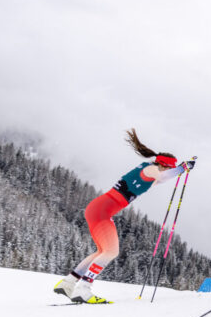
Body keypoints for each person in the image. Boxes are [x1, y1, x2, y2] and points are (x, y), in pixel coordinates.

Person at [53, 129, 195, 304]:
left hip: (98, 208)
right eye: (170, 167)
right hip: (103, 210)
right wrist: (182, 168)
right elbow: (164, 175)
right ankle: (83, 289)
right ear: (164, 165)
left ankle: (69, 282)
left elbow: (164, 178)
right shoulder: (151, 169)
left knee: (102, 251)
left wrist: (181, 168)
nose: (170, 170)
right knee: (111, 251)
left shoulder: (150, 172)